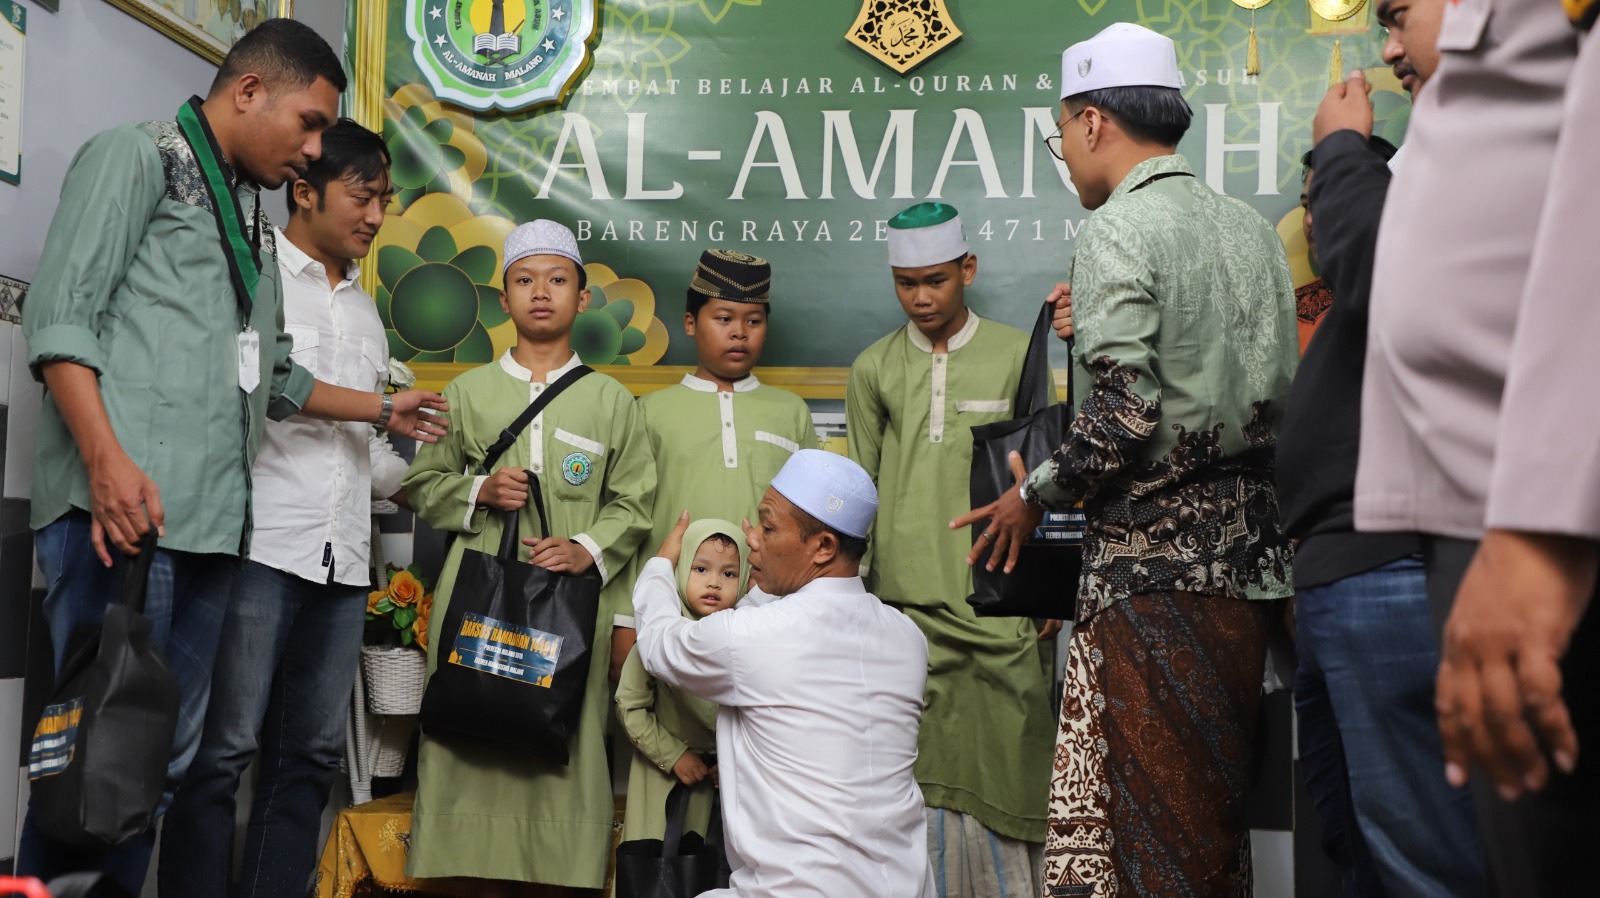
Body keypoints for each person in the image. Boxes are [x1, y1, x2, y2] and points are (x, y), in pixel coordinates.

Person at [17, 20, 447, 894]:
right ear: (249, 90)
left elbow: (276, 374)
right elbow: (60, 318)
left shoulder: (244, 219)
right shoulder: (134, 157)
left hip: (212, 531)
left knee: (163, 770)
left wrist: (385, 406)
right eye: (310, 123)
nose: (316, 149)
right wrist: (103, 460)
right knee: (94, 766)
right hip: (124, 519)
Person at [958, 23, 1298, 897]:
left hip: (1152, 583)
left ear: (1094, 122)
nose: (1064, 156)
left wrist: (1030, 495)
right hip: (1252, 579)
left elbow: (1125, 412)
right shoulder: (1254, 234)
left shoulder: (1117, 230)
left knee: (1149, 844)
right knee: (1212, 830)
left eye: (1060, 134)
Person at [1357, 0, 1597, 892]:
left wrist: (1545, 519)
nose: (1387, 48)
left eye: (1396, 16)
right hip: (1495, 503)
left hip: (1547, 510)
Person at [157, 119, 410, 898]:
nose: (374, 216)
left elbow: (370, 458)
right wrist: (375, 412)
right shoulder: (257, 281)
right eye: (362, 197)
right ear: (305, 191)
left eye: (384, 201)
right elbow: (255, 397)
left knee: (308, 758)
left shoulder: (367, 312)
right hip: (261, 547)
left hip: (344, 559)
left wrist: (406, 446)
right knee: (222, 750)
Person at [1283, 4, 1488, 894]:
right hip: (1344, 569)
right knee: (1362, 852)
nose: (1389, 47)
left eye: (1400, 17)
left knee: (1426, 864)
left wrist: (1344, 151)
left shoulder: (1487, 150)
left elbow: (1389, 275)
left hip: (1397, 569)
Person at [402, 219, 655, 895]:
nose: (540, 292)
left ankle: (562, 874)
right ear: (504, 298)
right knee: (467, 733)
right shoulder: (465, 392)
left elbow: (636, 502)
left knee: (563, 749)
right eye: (524, 280)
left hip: (570, 606)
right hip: (478, 598)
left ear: (581, 298)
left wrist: (585, 548)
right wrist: (477, 490)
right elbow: (421, 485)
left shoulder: (611, 401)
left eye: (557, 279)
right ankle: (462, 863)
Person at [845, 201, 1053, 896]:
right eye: (906, 283)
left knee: (1013, 770)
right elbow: (860, 492)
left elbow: (1045, 474)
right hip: (902, 609)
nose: (922, 297)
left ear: (968, 269)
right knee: (911, 790)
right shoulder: (873, 366)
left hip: (998, 601)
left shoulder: (1016, 352)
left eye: (935, 279)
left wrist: (1051, 588)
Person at [633, 450, 934, 898]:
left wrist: (661, 565)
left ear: (823, 547)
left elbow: (659, 644)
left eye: (769, 527)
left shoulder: (754, 638)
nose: (752, 539)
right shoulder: (907, 637)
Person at [610, 249, 813, 679]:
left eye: (753, 321)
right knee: (657, 733)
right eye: (724, 319)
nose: (739, 333)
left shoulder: (791, 413)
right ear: (690, 323)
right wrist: (624, 622)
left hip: (768, 616)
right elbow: (629, 524)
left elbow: (810, 528)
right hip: (667, 618)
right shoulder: (649, 412)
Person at [615, 519, 747, 845]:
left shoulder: (748, 634)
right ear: (679, 567)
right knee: (656, 869)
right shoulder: (658, 634)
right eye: (700, 569)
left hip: (728, 781)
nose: (714, 583)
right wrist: (673, 756)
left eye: (728, 574)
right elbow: (629, 703)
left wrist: (734, 760)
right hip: (663, 778)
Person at [1294, 151, 1336, 354]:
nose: (1310, 220)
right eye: (1307, 207)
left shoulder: (1423, 305)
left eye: (1325, 204)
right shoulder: (1291, 315)